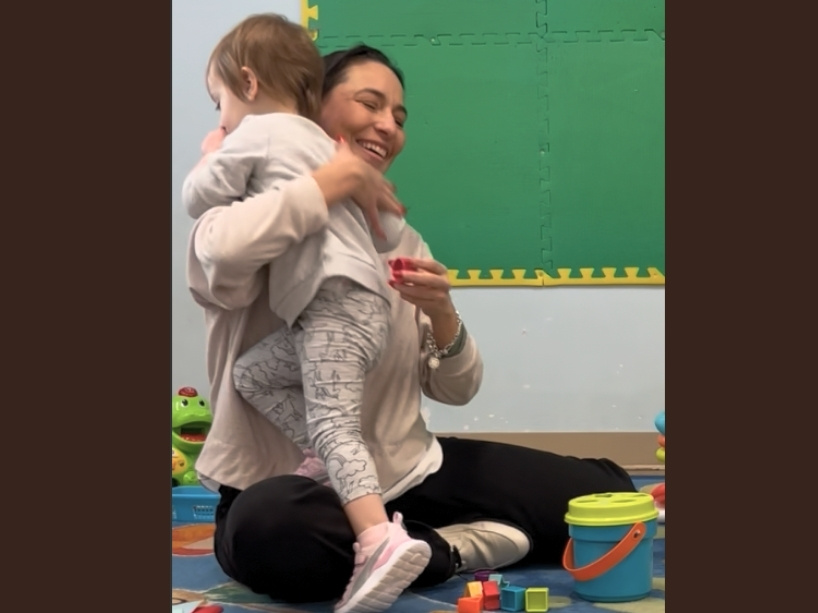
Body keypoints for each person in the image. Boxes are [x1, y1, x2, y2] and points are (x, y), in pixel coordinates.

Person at [184, 42, 637, 610]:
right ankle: (443, 550)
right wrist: (328, 180)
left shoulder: (397, 238)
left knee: (609, 495)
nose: (387, 125)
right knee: (271, 531)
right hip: (287, 490)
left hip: (410, 468)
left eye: (398, 117)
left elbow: (455, 387)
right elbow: (218, 256)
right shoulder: (238, 216)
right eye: (369, 104)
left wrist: (442, 312)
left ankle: (415, 537)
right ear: (307, 108)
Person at [180, 15, 431, 613]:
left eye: (219, 103)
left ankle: (379, 540)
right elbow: (385, 226)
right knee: (254, 375)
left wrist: (214, 149)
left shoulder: (261, 133)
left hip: (333, 309)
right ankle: (322, 461)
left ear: (246, 82)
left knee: (334, 424)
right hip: (360, 308)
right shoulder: (329, 153)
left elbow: (195, 194)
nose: (220, 119)